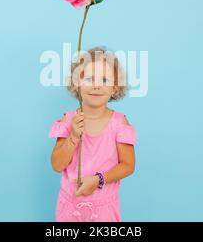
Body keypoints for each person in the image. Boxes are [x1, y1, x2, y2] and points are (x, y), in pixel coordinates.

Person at [48, 46, 137, 222]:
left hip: (104, 212)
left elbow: (128, 165)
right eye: (89, 79)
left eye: (104, 80)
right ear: (76, 84)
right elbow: (57, 165)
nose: (96, 85)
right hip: (69, 209)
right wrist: (73, 137)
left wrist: (98, 180)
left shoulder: (119, 123)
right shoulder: (69, 120)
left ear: (115, 88)